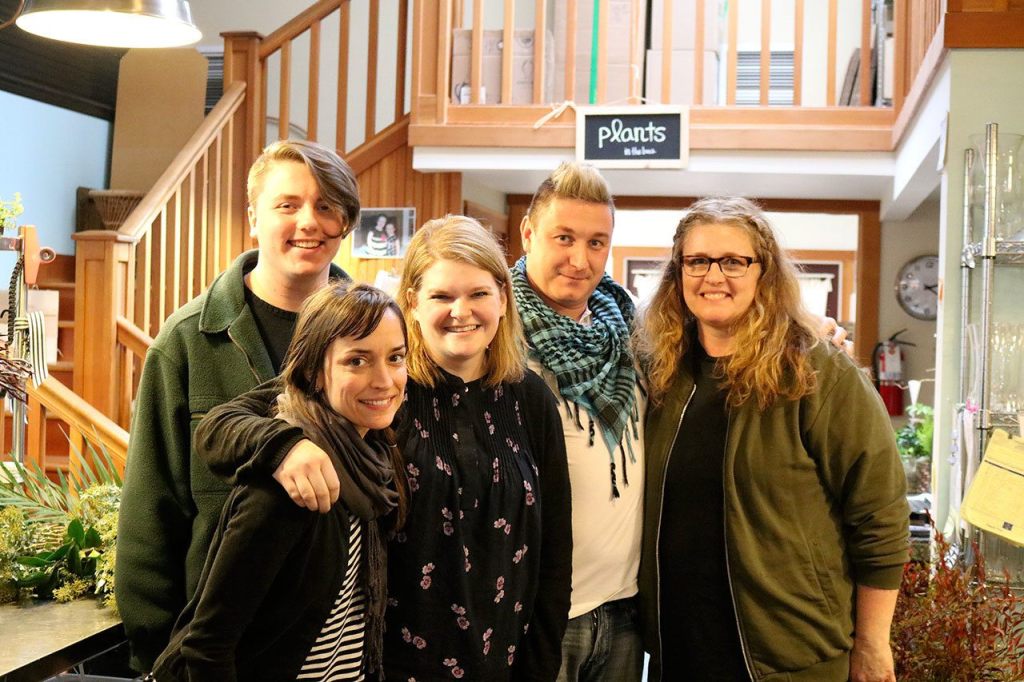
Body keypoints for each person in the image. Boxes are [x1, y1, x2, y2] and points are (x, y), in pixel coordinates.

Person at [194, 215, 573, 681]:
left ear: (502, 297)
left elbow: (555, 549)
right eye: (441, 295)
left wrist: (539, 667)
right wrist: (283, 446)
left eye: (478, 293)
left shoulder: (529, 398)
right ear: (412, 301)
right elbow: (222, 424)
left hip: (505, 662)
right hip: (389, 664)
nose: (462, 311)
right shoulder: (383, 387)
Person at [634, 197, 909, 682]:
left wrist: (871, 641)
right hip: (678, 650)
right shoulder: (661, 373)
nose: (713, 276)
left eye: (734, 262)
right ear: (677, 273)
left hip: (790, 654)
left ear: (764, 273)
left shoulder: (819, 373)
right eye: (697, 261)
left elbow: (879, 516)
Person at [115, 139, 360, 673]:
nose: (309, 222)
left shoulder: (377, 340)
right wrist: (158, 657)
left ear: (347, 221)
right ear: (253, 217)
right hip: (222, 655)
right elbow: (151, 513)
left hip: (343, 651)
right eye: (288, 204)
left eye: (326, 206)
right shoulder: (185, 343)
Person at [150, 282, 408, 681]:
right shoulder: (289, 485)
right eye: (357, 361)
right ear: (314, 372)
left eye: (396, 358)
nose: (384, 380)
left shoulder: (373, 456)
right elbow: (208, 647)